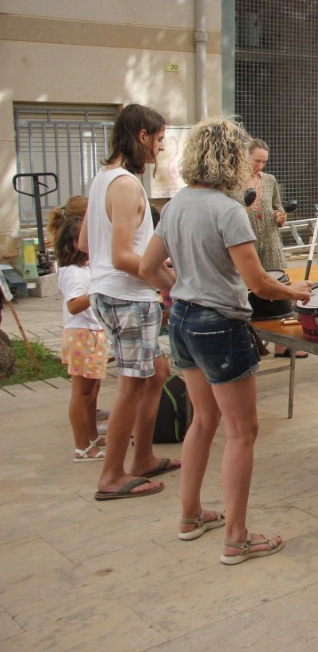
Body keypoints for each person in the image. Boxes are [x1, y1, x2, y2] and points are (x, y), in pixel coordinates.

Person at [140, 118, 311, 563]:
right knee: (242, 432)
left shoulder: (176, 204)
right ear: (232, 159)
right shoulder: (227, 210)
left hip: (182, 321)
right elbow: (258, 282)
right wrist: (294, 291)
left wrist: (182, 289)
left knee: (203, 420)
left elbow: (148, 267)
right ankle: (236, 537)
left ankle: (190, 515)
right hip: (219, 325)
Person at [80, 103, 180, 501]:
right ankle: (111, 475)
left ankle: (143, 458)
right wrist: (169, 281)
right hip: (127, 297)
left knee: (156, 374)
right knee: (132, 385)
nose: (161, 147)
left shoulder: (103, 178)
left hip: (114, 292)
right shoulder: (124, 184)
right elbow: (122, 256)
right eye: (159, 139)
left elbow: (86, 243)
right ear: (142, 136)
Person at [231, 137, 304, 359]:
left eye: (264, 162)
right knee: (249, 288)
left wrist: (280, 216)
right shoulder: (233, 182)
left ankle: (283, 344)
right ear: (245, 157)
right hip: (246, 240)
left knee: (279, 286)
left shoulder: (270, 181)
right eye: (257, 161)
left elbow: (277, 207)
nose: (260, 166)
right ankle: (251, 339)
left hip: (270, 239)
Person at [49, 202, 109, 463]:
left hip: (91, 333)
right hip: (82, 335)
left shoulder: (83, 269)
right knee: (81, 393)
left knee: (92, 391)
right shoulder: (73, 274)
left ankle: (92, 437)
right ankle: (82, 447)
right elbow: (74, 305)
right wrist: (97, 291)